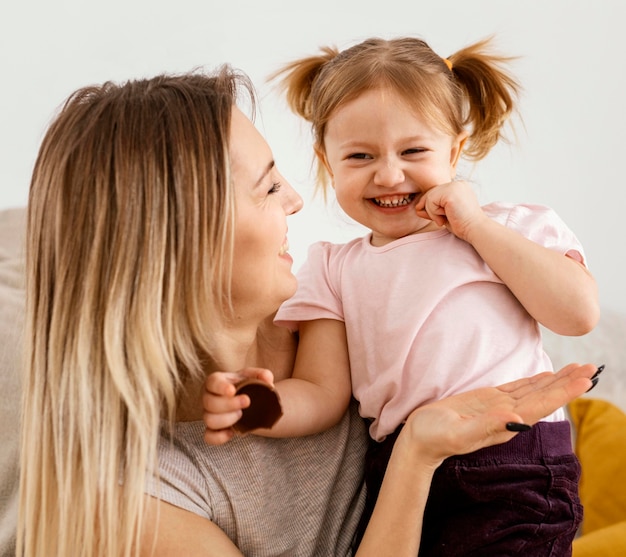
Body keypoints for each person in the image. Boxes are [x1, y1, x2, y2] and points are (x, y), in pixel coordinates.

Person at [17, 65, 599, 557]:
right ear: (183, 238)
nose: (297, 199)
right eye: (269, 188)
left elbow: (565, 310)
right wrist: (418, 451)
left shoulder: (329, 304)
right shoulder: (143, 502)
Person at [203, 36, 601, 555]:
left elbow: (578, 314)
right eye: (359, 155)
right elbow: (323, 393)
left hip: (512, 457)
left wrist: (477, 227)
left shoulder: (507, 227)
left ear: (455, 150)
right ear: (327, 161)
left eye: (413, 151)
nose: (389, 174)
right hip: (399, 469)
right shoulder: (332, 267)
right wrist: (259, 408)